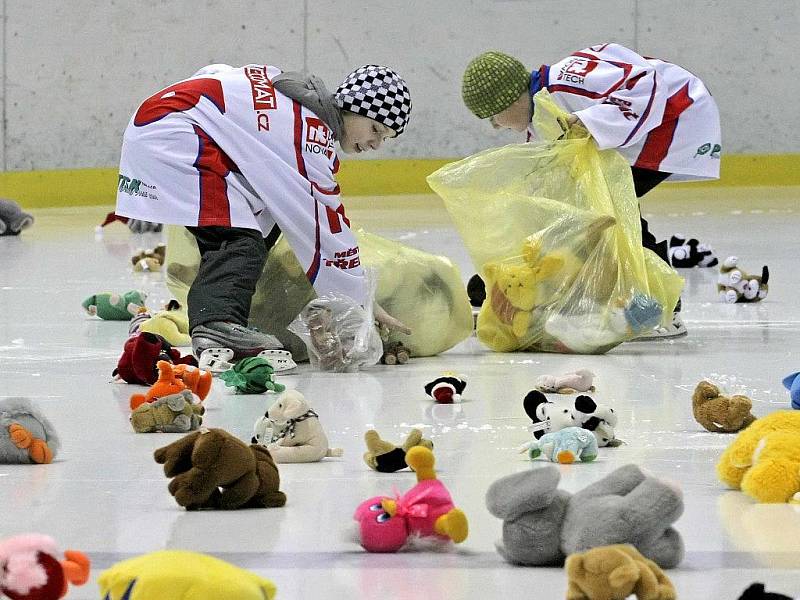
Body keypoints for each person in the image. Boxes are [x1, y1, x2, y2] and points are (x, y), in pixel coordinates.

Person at [116, 62, 412, 359]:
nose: (375, 144)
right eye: (375, 128)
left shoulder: (292, 96)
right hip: (174, 139)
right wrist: (360, 301)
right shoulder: (308, 135)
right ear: (350, 104)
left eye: (385, 138)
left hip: (162, 126)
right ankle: (217, 323)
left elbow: (214, 72)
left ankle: (226, 307)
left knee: (262, 223)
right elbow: (325, 226)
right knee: (237, 240)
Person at [461, 43, 722, 338]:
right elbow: (546, 199)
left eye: (492, 116)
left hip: (681, 113)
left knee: (609, 205)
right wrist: (505, 276)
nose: (495, 126)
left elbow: (645, 81)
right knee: (595, 206)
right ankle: (643, 298)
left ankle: (660, 307)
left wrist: (591, 120)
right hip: (663, 120)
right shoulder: (542, 118)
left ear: (508, 100)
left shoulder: (566, 79)